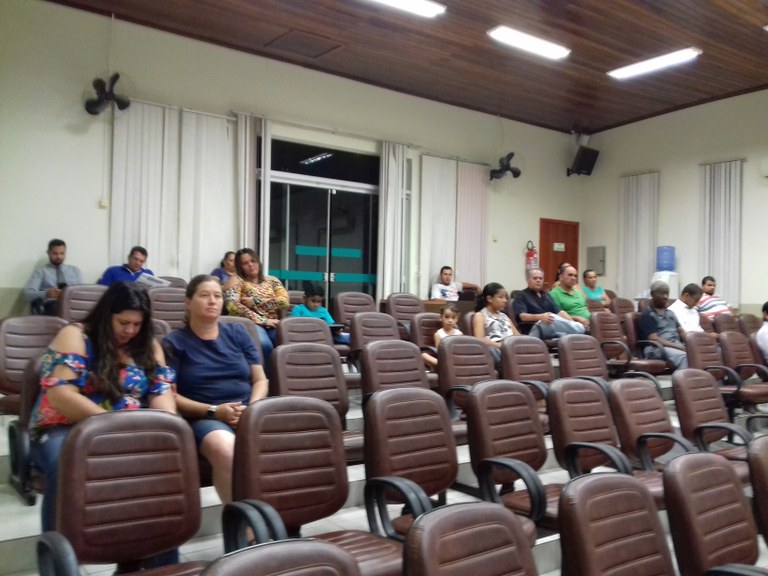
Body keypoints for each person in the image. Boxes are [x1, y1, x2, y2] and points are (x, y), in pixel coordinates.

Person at [29, 282, 176, 534]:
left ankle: (146, 547)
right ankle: (58, 547)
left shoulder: (147, 345)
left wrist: (164, 424)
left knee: (163, 462)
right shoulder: (77, 336)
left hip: (128, 428)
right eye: (123, 323)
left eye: (137, 324)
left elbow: (160, 391)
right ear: (106, 316)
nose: (130, 330)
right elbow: (61, 395)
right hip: (66, 426)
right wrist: (111, 425)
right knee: (65, 465)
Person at [163, 275, 267, 503]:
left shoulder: (238, 332)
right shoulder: (174, 342)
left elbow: (260, 380)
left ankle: (276, 514)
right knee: (226, 449)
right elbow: (170, 396)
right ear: (187, 302)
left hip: (247, 412)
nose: (212, 301)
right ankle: (242, 521)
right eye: (204, 295)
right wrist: (215, 411)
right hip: (204, 417)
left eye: (218, 296)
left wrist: (251, 410)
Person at [224, 248, 289, 365]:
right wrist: (263, 320)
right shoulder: (236, 280)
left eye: (253, 261)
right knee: (264, 344)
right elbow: (232, 306)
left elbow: (284, 302)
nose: (250, 265)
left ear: (258, 262)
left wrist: (255, 301)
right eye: (245, 263)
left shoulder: (272, 280)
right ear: (240, 267)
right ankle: (267, 375)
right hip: (250, 324)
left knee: (288, 342)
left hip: (273, 324)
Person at [512, 267, 586, 340]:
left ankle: (577, 329)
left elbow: (560, 312)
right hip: (532, 329)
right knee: (551, 317)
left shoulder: (546, 295)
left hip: (549, 327)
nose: (538, 280)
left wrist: (572, 322)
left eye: (540, 278)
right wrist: (541, 317)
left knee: (569, 336)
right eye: (535, 278)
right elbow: (523, 316)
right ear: (528, 280)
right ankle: (579, 328)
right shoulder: (521, 295)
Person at [24, 238, 83, 315]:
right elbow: (28, 294)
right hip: (52, 305)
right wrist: (46, 294)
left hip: (73, 305)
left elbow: (82, 292)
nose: (59, 257)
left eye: (62, 253)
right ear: (48, 253)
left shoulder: (75, 271)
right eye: (55, 253)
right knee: (57, 307)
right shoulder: (41, 271)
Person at [637, 281, 688, 369]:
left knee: (697, 354)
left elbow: (681, 331)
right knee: (685, 357)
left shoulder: (671, 313)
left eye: (667, 293)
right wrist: (678, 346)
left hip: (675, 345)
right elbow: (654, 338)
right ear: (652, 294)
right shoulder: (648, 315)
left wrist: (692, 343)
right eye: (662, 293)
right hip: (656, 348)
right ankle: (683, 377)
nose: (665, 296)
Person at [473, 282, 519, 368]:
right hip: (496, 349)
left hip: (511, 347)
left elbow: (517, 335)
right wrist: (502, 346)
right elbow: (480, 340)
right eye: (501, 297)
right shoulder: (480, 316)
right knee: (493, 351)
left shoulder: (504, 316)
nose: (505, 301)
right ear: (489, 298)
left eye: (505, 297)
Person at [422, 303, 462, 369]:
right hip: (443, 359)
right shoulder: (438, 334)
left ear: (457, 319)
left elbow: (460, 350)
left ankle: (448, 366)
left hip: (455, 358)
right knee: (424, 355)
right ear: (441, 318)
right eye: (446, 317)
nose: (450, 320)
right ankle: (444, 366)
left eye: (453, 318)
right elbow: (438, 352)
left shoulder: (460, 334)